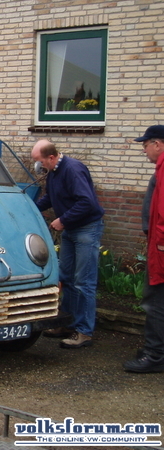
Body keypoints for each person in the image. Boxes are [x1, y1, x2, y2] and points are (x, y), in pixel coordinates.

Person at [31, 139, 105, 349]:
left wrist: (63, 220)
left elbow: (86, 202)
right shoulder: (54, 172)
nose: (38, 167)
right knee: (67, 278)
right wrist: (29, 209)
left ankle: (84, 332)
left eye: (40, 162)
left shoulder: (73, 170)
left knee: (84, 282)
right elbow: (51, 199)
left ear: (51, 157)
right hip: (72, 230)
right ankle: (68, 324)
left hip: (86, 229)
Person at [123, 125, 164, 373]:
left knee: (155, 301)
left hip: (160, 250)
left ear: (157, 144)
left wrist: (159, 247)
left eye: (145, 144)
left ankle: (155, 354)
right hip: (157, 246)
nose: (144, 150)